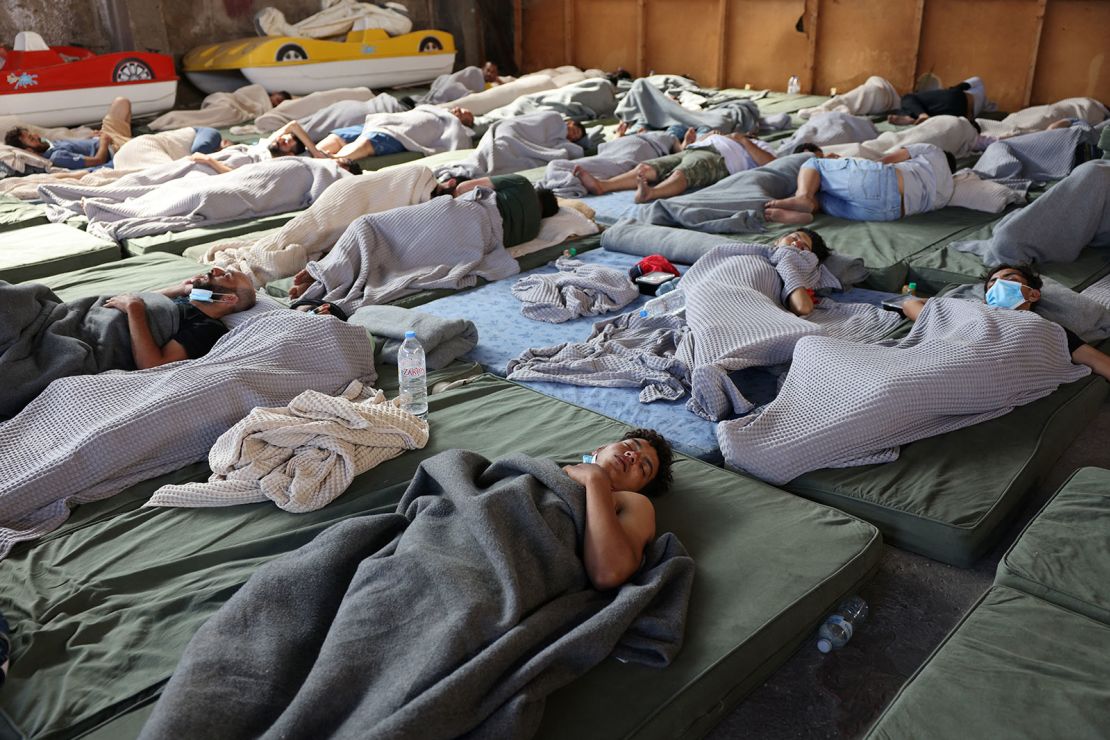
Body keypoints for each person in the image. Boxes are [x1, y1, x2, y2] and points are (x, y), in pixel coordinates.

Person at [900, 264, 1110, 380]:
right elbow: (911, 305)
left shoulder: (1048, 329)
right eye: (993, 283)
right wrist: (961, 305)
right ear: (986, 298)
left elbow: (1099, 361)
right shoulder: (969, 311)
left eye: (1011, 279)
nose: (1000, 284)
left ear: (1034, 295)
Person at [562, 427, 673, 589]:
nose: (633, 455)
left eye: (643, 468)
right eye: (629, 446)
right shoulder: (553, 468)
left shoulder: (634, 501)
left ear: (636, 489)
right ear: (599, 449)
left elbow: (609, 572)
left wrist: (596, 479)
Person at [104, 266, 257, 369]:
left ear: (228, 299)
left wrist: (134, 309)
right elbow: (141, 299)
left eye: (226, 276)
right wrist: (181, 289)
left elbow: (153, 364)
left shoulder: (208, 328)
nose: (215, 269)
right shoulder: (184, 299)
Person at [764, 142, 957, 224]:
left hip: (883, 181)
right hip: (889, 213)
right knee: (822, 199)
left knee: (814, 163)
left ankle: (802, 197)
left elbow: (890, 158)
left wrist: (852, 167)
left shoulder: (935, 151)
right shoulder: (948, 192)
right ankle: (805, 212)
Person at [576, 129, 775, 203]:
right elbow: (690, 147)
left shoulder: (759, 145)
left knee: (685, 172)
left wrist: (742, 139)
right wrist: (706, 137)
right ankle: (604, 185)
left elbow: (772, 164)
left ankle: (651, 194)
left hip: (719, 159)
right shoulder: (725, 135)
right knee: (647, 167)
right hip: (692, 149)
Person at [4, 96, 133, 169]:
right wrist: (104, 142)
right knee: (150, 141)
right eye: (32, 139)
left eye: (32, 135)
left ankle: (129, 138)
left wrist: (90, 137)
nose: (37, 137)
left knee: (121, 102)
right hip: (114, 148)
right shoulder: (58, 157)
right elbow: (98, 161)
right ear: (30, 151)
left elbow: (78, 145)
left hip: (104, 136)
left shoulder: (50, 145)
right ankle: (132, 143)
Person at [774, 228, 830, 316]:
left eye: (803, 248)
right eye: (794, 238)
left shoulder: (798, 275)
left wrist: (788, 262)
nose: (796, 243)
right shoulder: (754, 251)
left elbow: (803, 307)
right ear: (778, 240)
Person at [888, 79, 984, 126]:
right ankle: (913, 118)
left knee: (907, 98)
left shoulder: (980, 86)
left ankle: (919, 115)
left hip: (956, 100)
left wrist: (950, 90)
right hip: (958, 114)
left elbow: (961, 86)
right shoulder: (982, 108)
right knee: (912, 106)